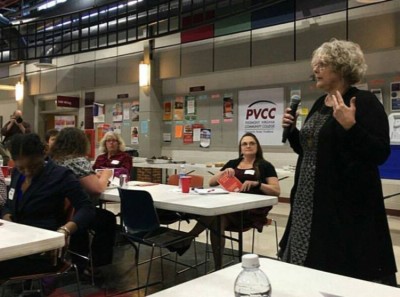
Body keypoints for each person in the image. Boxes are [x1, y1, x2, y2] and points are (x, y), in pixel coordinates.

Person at [279, 39, 397, 286]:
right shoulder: (320, 104)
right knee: (307, 274)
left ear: (341, 67)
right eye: (315, 66)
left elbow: (379, 153)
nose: (316, 71)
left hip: (345, 207)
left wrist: (350, 126)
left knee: (340, 273)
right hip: (308, 202)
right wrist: (292, 131)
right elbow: (307, 150)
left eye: (322, 64)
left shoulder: (363, 102)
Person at [0, 133, 95, 279]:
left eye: (33, 166)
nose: (27, 172)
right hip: (15, 241)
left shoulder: (60, 175)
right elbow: (8, 204)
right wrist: (7, 217)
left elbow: (86, 208)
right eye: (21, 168)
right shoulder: (17, 175)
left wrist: (65, 230)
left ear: (44, 153)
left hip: (42, 250)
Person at [188, 132, 280, 268]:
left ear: (257, 146)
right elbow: (212, 182)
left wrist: (258, 184)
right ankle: (218, 266)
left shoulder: (265, 166)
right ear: (241, 148)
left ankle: (188, 238)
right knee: (217, 220)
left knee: (216, 217)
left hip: (251, 210)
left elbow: (276, 191)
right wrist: (223, 172)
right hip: (230, 206)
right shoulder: (233, 163)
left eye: (252, 143)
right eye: (244, 144)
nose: (248, 146)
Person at [49, 127, 116, 278]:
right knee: (107, 219)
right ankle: (95, 263)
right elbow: (96, 189)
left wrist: (93, 175)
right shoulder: (77, 161)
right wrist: (105, 174)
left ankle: (77, 260)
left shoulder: (54, 160)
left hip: (56, 211)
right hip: (72, 214)